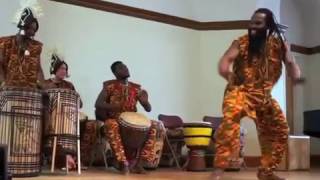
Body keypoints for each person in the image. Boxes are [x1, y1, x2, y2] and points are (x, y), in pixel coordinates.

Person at [212, 8, 302, 180]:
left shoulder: (278, 46)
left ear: (268, 26)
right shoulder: (241, 42)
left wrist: (290, 58)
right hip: (240, 91)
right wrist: (228, 74)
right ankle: (218, 171)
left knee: (281, 130)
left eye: (258, 23)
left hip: (264, 97)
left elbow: (296, 75)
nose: (252, 26)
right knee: (229, 123)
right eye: (251, 22)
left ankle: (266, 172)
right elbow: (225, 62)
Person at [95, 61, 157, 174]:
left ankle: (139, 164)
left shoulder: (136, 88)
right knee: (110, 124)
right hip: (116, 120)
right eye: (121, 68)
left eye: (125, 66)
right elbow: (98, 103)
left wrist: (146, 102)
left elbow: (148, 109)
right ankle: (123, 163)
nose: (125, 68)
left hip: (133, 122)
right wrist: (116, 106)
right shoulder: (110, 86)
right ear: (115, 72)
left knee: (156, 125)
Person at [43, 54, 82, 170]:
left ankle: (69, 157)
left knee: (73, 126)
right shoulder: (45, 84)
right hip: (50, 116)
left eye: (65, 69)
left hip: (66, 119)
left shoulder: (69, 85)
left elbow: (79, 103)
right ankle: (65, 159)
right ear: (55, 70)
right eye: (61, 68)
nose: (64, 71)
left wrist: (76, 98)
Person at [0, 7, 44, 88]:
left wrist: (41, 85)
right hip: (7, 93)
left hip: (29, 94)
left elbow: (38, 70)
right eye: (30, 29)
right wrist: (3, 84)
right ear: (22, 27)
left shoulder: (36, 47)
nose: (32, 33)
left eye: (34, 30)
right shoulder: (5, 43)